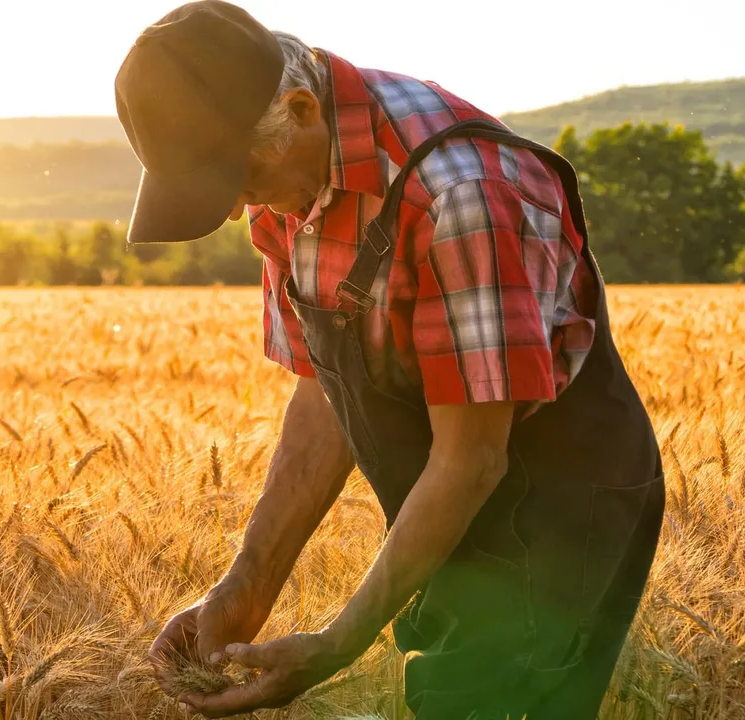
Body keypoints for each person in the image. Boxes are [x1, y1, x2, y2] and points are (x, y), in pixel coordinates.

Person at [112, 2, 666, 718]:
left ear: (303, 109)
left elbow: (472, 459)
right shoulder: (289, 170)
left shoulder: (461, 196)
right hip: (442, 500)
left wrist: (337, 645)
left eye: (237, 181)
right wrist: (243, 588)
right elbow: (325, 396)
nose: (230, 212)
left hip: (553, 507)